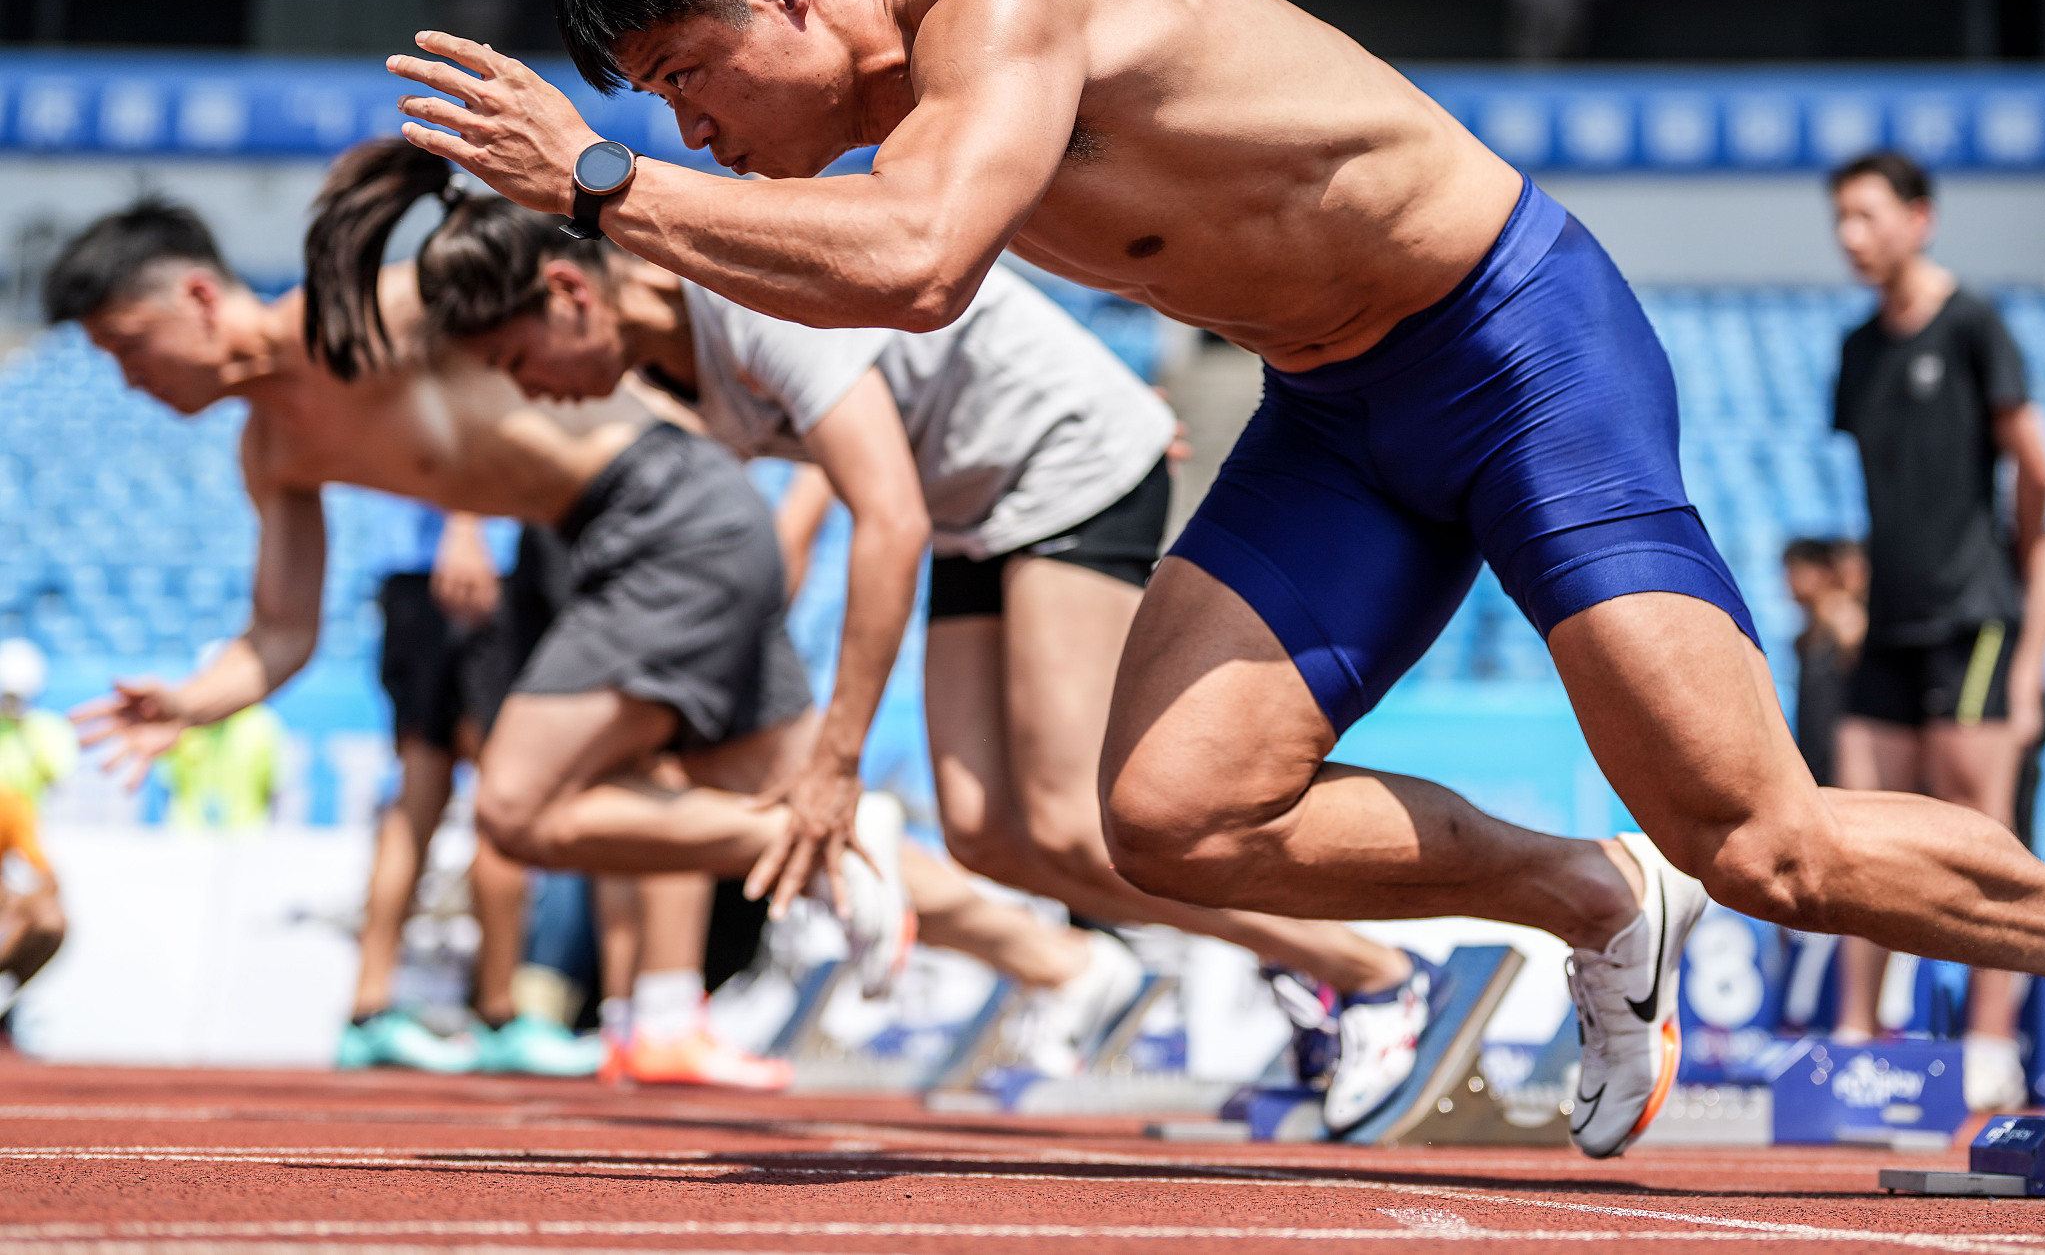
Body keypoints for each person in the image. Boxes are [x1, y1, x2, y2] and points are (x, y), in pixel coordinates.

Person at [387, 0, 2045, 1199]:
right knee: (1171, 814)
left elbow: (920, 263)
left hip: (1524, 354)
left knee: (1758, 834)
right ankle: (1584, 897)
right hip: (1335, 410)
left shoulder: (1004, 15)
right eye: (657, 106)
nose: (692, 127)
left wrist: (606, 184)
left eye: (690, 79)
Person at [306, 147, 1427, 1121]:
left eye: (517, 363)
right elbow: (830, 467)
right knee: (990, 835)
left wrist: (835, 761)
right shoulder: (655, 356)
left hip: (1058, 459)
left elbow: (881, 514)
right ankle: (1293, 972)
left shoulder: (737, 301)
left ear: (569, 293)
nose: (534, 395)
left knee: (1080, 823)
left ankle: (1370, 972)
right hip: (974, 497)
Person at [50, 199, 791, 1088]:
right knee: (970, 836)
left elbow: (548, 284)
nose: (131, 378)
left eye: (130, 343)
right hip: (600, 539)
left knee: (526, 802)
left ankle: (765, 890)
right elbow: (283, 632)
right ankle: (914, 884)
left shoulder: (359, 314)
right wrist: (190, 702)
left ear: (201, 295)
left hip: (665, 502)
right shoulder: (274, 451)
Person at [1824, 150, 2045, 1113]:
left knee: (1980, 836)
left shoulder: (1973, 324)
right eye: (1839, 217)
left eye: (1868, 215)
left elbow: (2040, 469)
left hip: (1974, 620)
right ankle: (1853, 1037)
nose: (1851, 234)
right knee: (1851, 834)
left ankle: (1989, 1043)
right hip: (1888, 622)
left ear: (1919, 219)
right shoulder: (1857, 349)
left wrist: (2018, 593)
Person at [344, 502, 603, 1076]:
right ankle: (499, 1014)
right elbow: (464, 421)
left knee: (419, 794)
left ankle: (368, 1010)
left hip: (414, 572)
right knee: (502, 792)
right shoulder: (475, 533)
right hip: (482, 570)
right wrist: (467, 526)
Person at [0, 639, 72, 1049]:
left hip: (11, 870)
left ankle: (5, 1004)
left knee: (48, 919)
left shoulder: (11, 805)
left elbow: (46, 875)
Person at [1779, 537, 1864, 788]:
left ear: (1823, 571)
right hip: (1816, 754)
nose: (1787, 580)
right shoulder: (1806, 635)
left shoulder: (1845, 621)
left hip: (1840, 758)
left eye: (1795, 570)